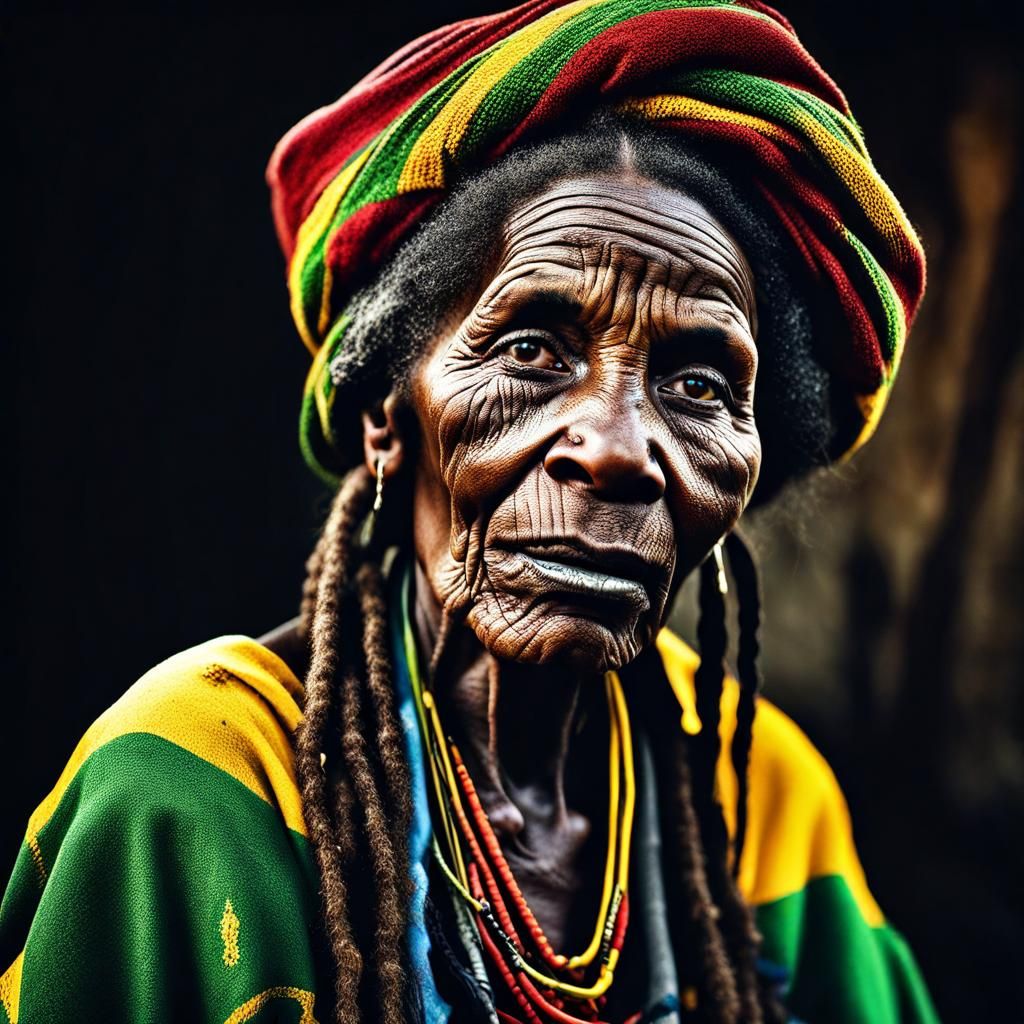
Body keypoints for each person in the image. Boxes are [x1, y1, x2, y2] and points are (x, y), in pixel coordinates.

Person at [0, 2, 939, 1022]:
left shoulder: (764, 805)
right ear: (382, 416)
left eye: (700, 386)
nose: (617, 449)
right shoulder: (192, 788)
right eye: (533, 350)